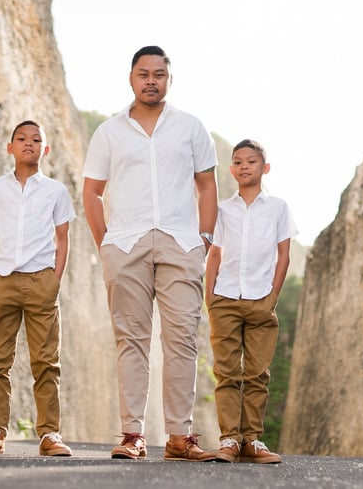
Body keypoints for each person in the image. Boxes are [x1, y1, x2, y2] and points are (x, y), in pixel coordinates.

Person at [82, 45, 219, 461]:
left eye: (159, 74)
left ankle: (179, 437)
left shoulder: (191, 127)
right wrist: (106, 243)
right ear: (131, 78)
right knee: (132, 341)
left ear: (169, 80)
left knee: (182, 340)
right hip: (126, 244)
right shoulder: (109, 132)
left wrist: (204, 238)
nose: (151, 81)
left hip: (180, 242)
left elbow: (207, 186)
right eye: (144, 74)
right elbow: (92, 191)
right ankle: (132, 436)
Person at [0, 120, 75, 457]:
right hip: (2, 279)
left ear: (46, 150)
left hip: (41, 281)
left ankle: (49, 434)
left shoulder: (56, 191)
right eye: (21, 138)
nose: (28, 143)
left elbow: (63, 238)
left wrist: (54, 280)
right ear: (10, 147)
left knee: (46, 362)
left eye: (36, 140)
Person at [205, 139, 298, 464]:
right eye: (238, 162)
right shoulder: (222, 209)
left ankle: (252, 440)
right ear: (231, 170)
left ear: (265, 167)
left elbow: (284, 254)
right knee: (227, 373)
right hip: (225, 297)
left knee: (258, 374)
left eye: (251, 161)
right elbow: (214, 253)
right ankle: (230, 439)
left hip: (261, 299)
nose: (244, 166)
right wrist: (210, 297)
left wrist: (272, 296)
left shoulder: (278, 208)